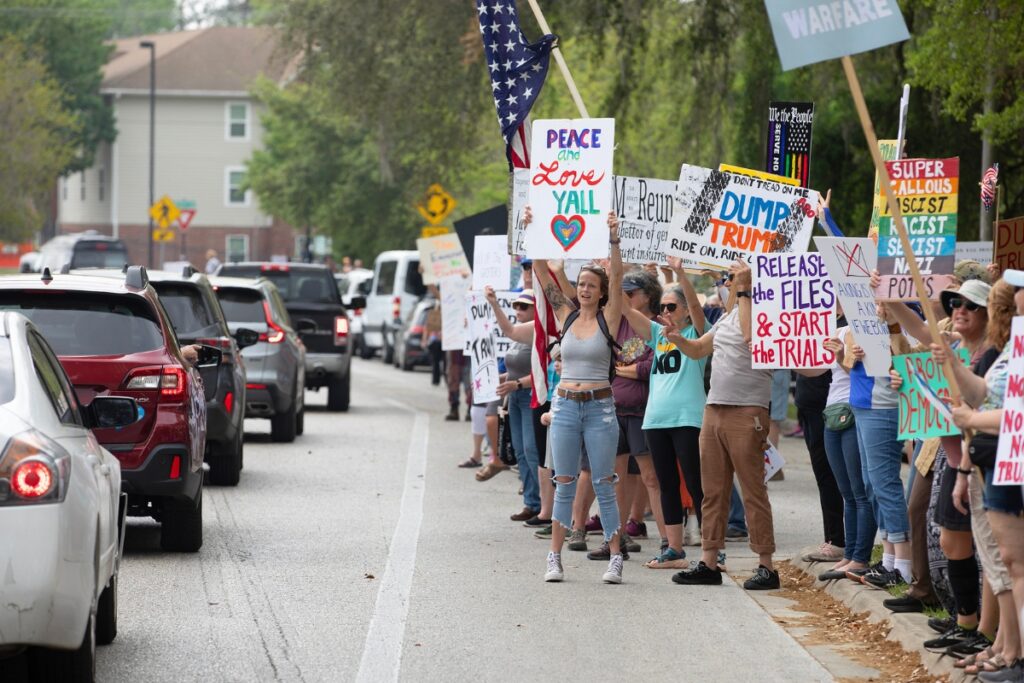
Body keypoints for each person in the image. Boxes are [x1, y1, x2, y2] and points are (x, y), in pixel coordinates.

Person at [665, 259, 781, 590]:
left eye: (733, 278)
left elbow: (749, 337)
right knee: (712, 492)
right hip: (714, 408)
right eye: (731, 278)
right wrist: (677, 339)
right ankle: (709, 561)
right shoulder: (730, 315)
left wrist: (745, 286)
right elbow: (700, 349)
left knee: (753, 489)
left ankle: (766, 566)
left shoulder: (765, 314)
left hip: (747, 411)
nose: (728, 281)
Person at [531, 209, 626, 584]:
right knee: (564, 481)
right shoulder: (567, 315)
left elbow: (618, 278)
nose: (584, 289)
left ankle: (615, 556)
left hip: (601, 408)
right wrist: (533, 230)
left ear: (601, 292)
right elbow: (542, 274)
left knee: (604, 481)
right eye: (581, 284)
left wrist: (614, 239)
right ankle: (554, 557)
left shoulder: (609, 317)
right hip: (567, 406)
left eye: (591, 285)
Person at [937, 274, 1024, 680]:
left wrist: (972, 420)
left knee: (1013, 565)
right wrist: (952, 363)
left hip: (1011, 461)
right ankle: (1006, 647)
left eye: (1003, 308)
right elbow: (983, 393)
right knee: (1004, 561)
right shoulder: (1009, 354)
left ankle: (1015, 656)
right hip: (996, 462)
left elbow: (1011, 413)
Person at [620, 256, 707, 568]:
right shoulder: (657, 334)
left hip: (688, 419)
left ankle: (713, 551)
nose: (666, 312)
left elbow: (698, 310)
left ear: (684, 310)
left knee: (697, 485)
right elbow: (625, 308)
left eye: (672, 307)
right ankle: (674, 549)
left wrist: (681, 273)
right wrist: (612, 270)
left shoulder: (699, 333)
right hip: (655, 419)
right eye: (664, 307)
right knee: (667, 484)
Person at [485, 287, 542, 522]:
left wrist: (517, 384)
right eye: (516, 306)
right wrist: (493, 380)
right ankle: (531, 502)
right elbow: (513, 369)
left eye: (524, 306)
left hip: (530, 396)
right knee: (519, 451)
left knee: (532, 450)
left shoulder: (538, 332)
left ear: (535, 308)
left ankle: (547, 505)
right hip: (516, 397)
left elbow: (542, 373)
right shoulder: (520, 337)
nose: (518, 309)